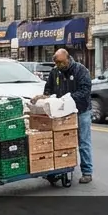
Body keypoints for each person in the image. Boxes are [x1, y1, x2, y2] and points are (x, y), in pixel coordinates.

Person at [40, 47, 94, 184]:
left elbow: (85, 91)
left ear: (68, 59)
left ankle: (87, 172)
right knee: (62, 141)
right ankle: (62, 168)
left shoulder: (81, 70)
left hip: (81, 110)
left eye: (61, 63)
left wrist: (67, 99)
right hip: (62, 112)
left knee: (83, 142)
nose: (59, 66)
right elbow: (48, 88)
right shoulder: (55, 72)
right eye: (57, 63)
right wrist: (45, 97)